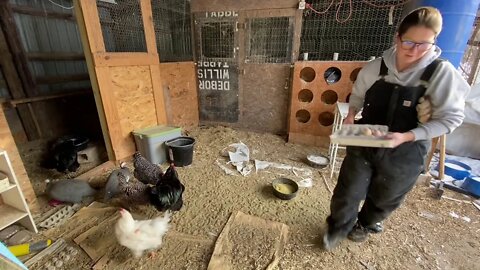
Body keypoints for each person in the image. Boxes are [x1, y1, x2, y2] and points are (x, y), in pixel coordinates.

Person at [323, 6, 470, 250]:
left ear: (434, 42)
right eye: (409, 42)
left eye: (425, 44)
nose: (415, 51)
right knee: (349, 188)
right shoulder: (377, 67)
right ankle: (338, 227)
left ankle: (367, 223)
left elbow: (451, 119)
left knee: (387, 195)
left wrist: (408, 135)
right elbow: (358, 94)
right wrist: (350, 115)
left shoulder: (441, 73)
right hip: (369, 136)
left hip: (408, 147)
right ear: (397, 38)